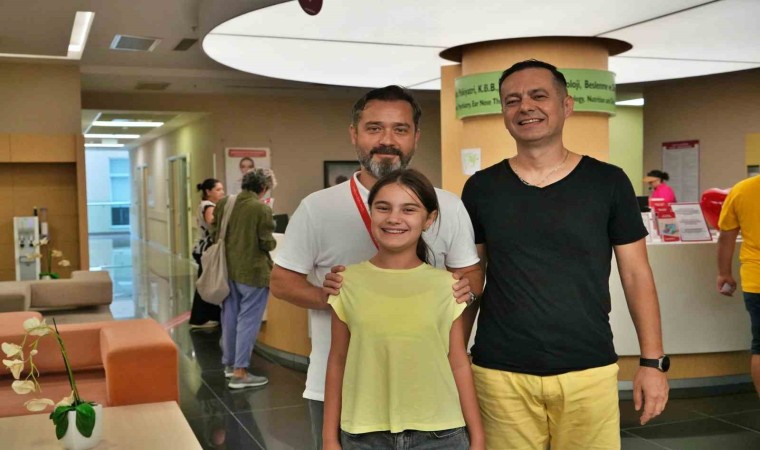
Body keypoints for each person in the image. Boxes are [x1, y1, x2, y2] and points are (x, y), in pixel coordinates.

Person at [460, 59, 669, 449]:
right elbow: (471, 277)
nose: (525, 107)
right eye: (512, 100)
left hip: (588, 370)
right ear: (503, 112)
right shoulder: (481, 188)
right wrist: (454, 358)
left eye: (539, 96)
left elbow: (636, 275)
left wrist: (652, 362)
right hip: (500, 374)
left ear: (566, 105)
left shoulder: (608, 182)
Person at [270, 85, 483, 450]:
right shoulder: (317, 207)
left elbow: (471, 275)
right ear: (354, 133)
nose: (387, 140)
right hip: (342, 391)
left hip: (432, 395)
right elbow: (281, 282)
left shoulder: (448, 205)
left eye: (400, 129)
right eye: (374, 128)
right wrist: (339, 298)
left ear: (416, 136)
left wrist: (464, 292)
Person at [323, 169, 484, 450]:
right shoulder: (345, 283)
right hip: (364, 435)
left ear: (429, 219)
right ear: (371, 213)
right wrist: (328, 438)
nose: (394, 218)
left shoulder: (448, 286)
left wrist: (478, 437)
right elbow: (337, 360)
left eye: (408, 209)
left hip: (441, 435)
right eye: (383, 208)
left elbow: (458, 362)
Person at [212, 168, 277, 389]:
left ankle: (230, 365)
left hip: (227, 271)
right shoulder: (261, 209)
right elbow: (266, 243)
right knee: (248, 321)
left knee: (229, 318)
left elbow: (214, 232)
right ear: (264, 188)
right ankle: (241, 372)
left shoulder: (225, 203)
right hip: (253, 273)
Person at [716, 175, 760, 395]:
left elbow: (726, 237)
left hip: (756, 280)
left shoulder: (742, 190)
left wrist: (724, 273)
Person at [189, 178, 225, 329]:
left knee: (207, 282)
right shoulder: (209, 206)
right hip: (206, 249)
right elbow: (213, 224)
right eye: (218, 189)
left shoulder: (205, 205)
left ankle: (209, 315)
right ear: (208, 192)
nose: (222, 192)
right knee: (207, 283)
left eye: (222, 189)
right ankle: (201, 318)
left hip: (202, 248)